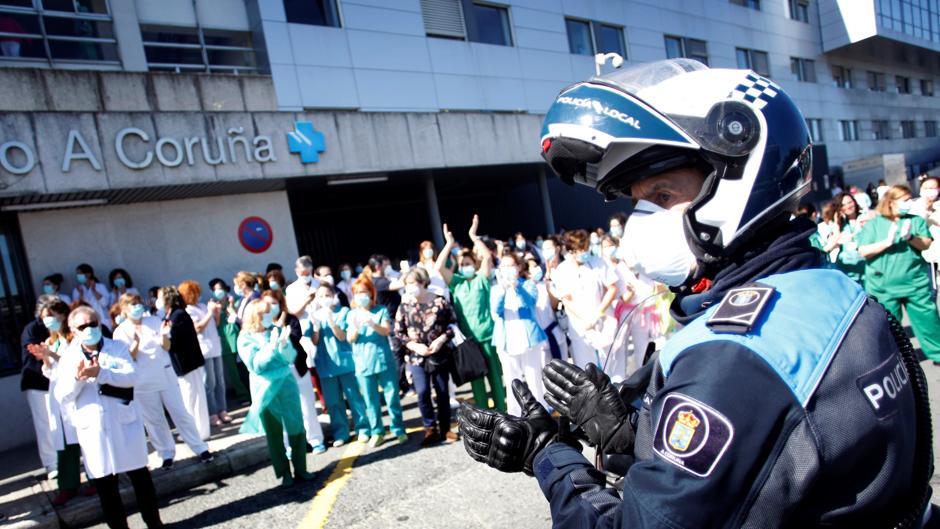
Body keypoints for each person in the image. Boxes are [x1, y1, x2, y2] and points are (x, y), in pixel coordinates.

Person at [459, 59, 933, 527]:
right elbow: (758, 457)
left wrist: (548, 456)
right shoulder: (819, 286)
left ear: (738, 178)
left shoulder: (735, 356)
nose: (641, 222)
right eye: (638, 202)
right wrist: (627, 432)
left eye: (662, 197)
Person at [55, 306, 163, 529]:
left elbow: (131, 377)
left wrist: (101, 373)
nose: (89, 329)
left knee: (140, 478)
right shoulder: (68, 358)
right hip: (93, 428)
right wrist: (78, 377)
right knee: (106, 486)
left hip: (124, 422)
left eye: (93, 324)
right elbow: (62, 395)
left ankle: (154, 523)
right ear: (73, 330)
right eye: (83, 326)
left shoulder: (117, 348)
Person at [112, 294, 212, 469]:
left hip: (165, 374)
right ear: (125, 309)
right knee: (154, 419)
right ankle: (166, 453)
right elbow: (129, 357)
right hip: (143, 382)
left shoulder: (154, 321)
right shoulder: (121, 331)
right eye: (133, 304)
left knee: (180, 412)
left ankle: (200, 447)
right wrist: (136, 341)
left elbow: (166, 346)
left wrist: (164, 336)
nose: (138, 307)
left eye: (139, 303)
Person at [237, 298, 316, 487]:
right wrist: (272, 348)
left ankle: (301, 468)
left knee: (296, 427)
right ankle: (284, 473)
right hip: (265, 388)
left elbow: (291, 357)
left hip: (286, 384)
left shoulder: (276, 331)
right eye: (265, 312)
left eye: (269, 311)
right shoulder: (245, 338)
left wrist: (284, 345)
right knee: (274, 433)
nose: (270, 315)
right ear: (254, 316)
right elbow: (256, 365)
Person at [858, 185, 940, 364]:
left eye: (910, 199)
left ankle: (937, 353)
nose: (909, 203)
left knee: (928, 320)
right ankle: (894, 361)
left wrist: (910, 237)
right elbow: (863, 251)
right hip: (884, 286)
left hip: (914, 283)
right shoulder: (874, 224)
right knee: (888, 327)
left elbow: (926, 243)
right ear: (891, 201)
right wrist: (887, 242)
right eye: (905, 200)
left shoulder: (915, 221)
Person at [437, 216, 507, 412]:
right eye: (462, 264)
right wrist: (449, 245)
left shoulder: (481, 280)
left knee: (495, 380)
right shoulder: (456, 283)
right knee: (477, 385)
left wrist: (473, 236)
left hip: (487, 336)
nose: (465, 266)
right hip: (469, 342)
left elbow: (487, 258)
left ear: (473, 265)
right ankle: (485, 418)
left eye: (468, 263)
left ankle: (501, 413)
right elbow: (438, 267)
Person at [25, 297, 86, 505]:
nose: (48, 321)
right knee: (63, 441)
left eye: (50, 316)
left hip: (78, 394)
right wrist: (46, 358)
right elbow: (51, 372)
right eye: (44, 318)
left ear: (62, 314)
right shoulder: (53, 340)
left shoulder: (75, 338)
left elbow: (75, 363)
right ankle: (68, 485)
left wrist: (53, 355)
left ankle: (98, 479)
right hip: (58, 396)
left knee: (84, 439)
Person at [394, 268, 457, 446]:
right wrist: (414, 345)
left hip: (439, 353)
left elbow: (452, 324)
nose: (409, 288)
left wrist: (441, 339)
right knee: (422, 392)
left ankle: (445, 428)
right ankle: (430, 428)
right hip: (416, 356)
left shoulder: (440, 301)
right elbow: (398, 332)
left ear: (423, 282)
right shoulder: (405, 305)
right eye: (407, 284)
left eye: (412, 283)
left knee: (442, 391)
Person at [262, 290, 326, 454]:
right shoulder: (263, 323)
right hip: (277, 374)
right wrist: (277, 328)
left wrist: (282, 326)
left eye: (274, 303)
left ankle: (315, 440)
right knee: (284, 411)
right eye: (268, 303)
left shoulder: (291, 319)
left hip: (297, 368)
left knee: (307, 407)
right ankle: (290, 446)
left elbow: (294, 338)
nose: (271, 307)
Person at [551, 229, 620, 378]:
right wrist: (585, 319)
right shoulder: (563, 269)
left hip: (601, 321)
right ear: (571, 251)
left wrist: (598, 313)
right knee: (585, 369)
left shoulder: (598, 262)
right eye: (579, 250)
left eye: (585, 248)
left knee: (609, 366)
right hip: (579, 326)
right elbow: (566, 299)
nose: (584, 252)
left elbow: (612, 288)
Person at [347, 275, 406, 447]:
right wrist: (357, 327)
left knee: (392, 396)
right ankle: (377, 431)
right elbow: (350, 339)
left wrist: (373, 324)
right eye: (357, 293)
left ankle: (398, 428)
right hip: (363, 363)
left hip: (382, 359)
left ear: (371, 294)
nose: (361, 296)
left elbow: (387, 330)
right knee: (371, 401)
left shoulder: (380, 310)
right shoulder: (352, 315)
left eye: (364, 292)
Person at [310, 283, 369, 446]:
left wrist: (332, 322)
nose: (324, 299)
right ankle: (341, 433)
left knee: (354, 397)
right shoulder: (314, 315)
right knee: (333, 401)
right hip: (325, 365)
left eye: (327, 295)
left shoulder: (343, 312)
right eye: (320, 296)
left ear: (333, 295)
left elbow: (343, 337)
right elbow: (314, 341)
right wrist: (316, 327)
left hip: (345, 362)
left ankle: (363, 428)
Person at [490, 253, 548, 416]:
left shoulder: (528, 285)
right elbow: (496, 309)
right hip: (507, 341)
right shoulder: (496, 289)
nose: (508, 269)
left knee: (534, 379)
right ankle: (515, 415)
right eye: (504, 266)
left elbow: (530, 303)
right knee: (511, 380)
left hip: (529, 339)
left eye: (511, 265)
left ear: (519, 267)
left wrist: (517, 287)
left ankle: (541, 414)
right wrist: (504, 289)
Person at [159, 286, 210, 441]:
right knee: (193, 399)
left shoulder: (177, 316)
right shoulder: (174, 315)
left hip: (187, 364)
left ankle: (197, 433)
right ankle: (198, 432)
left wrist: (163, 336)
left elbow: (172, 343)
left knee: (191, 400)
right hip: (187, 364)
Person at [179, 281, 231, 427]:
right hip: (203, 349)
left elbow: (216, 323)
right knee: (209, 382)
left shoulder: (202, 306)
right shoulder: (188, 310)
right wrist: (209, 312)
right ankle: (212, 413)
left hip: (215, 347)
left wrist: (216, 312)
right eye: (194, 292)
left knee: (220, 381)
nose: (197, 295)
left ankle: (223, 409)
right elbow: (198, 328)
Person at [20, 296, 59, 478]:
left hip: (58, 381)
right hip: (37, 383)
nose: (52, 317)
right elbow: (36, 353)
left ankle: (66, 460)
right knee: (45, 424)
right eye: (48, 313)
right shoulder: (32, 329)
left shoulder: (63, 328)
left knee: (61, 423)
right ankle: (51, 463)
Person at [209, 278, 251, 404]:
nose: (218, 292)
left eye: (220, 289)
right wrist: (216, 310)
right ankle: (243, 395)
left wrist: (231, 306)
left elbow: (241, 319)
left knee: (246, 369)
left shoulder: (235, 302)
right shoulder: (212, 305)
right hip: (224, 343)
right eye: (215, 290)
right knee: (234, 373)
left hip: (239, 339)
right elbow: (214, 325)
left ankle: (253, 394)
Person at [525, 257, 568, 363]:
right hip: (540, 339)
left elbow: (556, 305)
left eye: (536, 266)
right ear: (527, 272)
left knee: (565, 366)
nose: (537, 269)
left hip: (556, 333)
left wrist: (548, 289)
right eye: (533, 267)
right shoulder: (524, 289)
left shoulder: (545, 284)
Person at [830, 191, 869, 285]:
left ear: (855, 202)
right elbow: (834, 240)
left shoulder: (864, 218)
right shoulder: (839, 224)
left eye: (850, 202)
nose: (848, 206)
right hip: (847, 271)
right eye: (843, 204)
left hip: (865, 268)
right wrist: (837, 221)